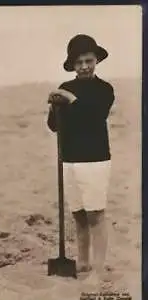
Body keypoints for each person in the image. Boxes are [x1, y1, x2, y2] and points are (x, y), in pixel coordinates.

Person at [46, 34, 115, 283]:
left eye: (88, 60)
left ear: (96, 60)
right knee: (78, 214)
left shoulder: (104, 89)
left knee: (96, 213)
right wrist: (54, 107)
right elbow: (54, 126)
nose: (84, 66)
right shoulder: (66, 88)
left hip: (95, 159)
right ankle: (83, 263)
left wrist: (70, 100)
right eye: (79, 63)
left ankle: (99, 269)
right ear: (72, 65)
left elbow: (93, 116)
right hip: (70, 158)